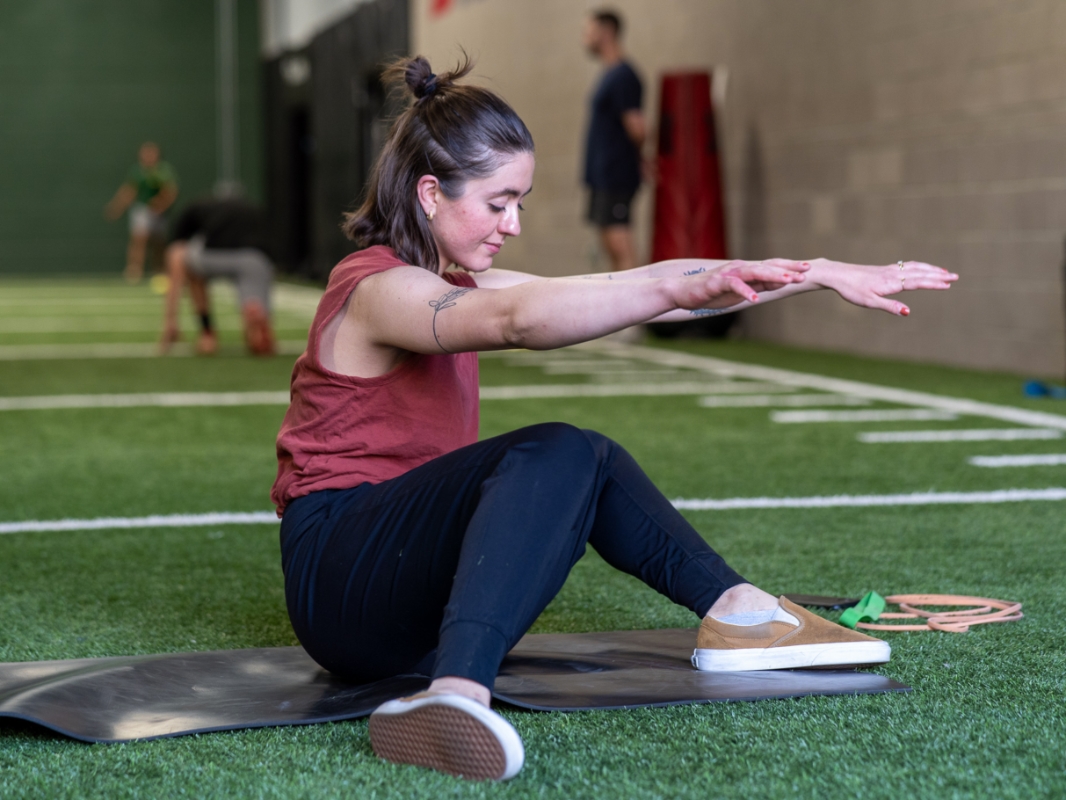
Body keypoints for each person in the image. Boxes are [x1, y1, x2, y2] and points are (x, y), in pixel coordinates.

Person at [271, 55, 957, 782]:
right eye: (500, 202)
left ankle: (738, 610)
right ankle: (458, 694)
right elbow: (516, 320)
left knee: (586, 459)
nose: (515, 224)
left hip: (400, 584)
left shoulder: (455, 280)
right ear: (432, 193)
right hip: (340, 579)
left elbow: (642, 283)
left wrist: (810, 271)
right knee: (556, 450)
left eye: (521, 202)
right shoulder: (374, 288)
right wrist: (676, 289)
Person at [161, 197, 276, 356]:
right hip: (254, 257)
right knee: (255, 284)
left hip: (213, 256)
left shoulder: (191, 212)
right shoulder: (252, 209)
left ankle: (207, 333)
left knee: (186, 261)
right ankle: (256, 317)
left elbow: (175, 256)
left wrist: (171, 319)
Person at [582, 9, 647, 273]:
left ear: (606, 32)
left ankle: (638, 313)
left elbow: (639, 129)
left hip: (617, 174)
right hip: (603, 176)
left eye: (589, 30)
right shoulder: (609, 74)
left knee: (622, 247)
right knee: (611, 247)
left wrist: (638, 159)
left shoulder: (624, 76)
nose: (585, 37)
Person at [104, 142, 179, 283]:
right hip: (142, 208)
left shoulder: (164, 171)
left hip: (159, 212)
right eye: (145, 153)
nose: (148, 156)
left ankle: (160, 271)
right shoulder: (137, 171)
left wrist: (161, 204)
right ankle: (134, 271)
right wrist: (116, 207)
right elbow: (129, 191)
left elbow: (171, 191)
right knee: (139, 237)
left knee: (158, 242)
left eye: (151, 153)